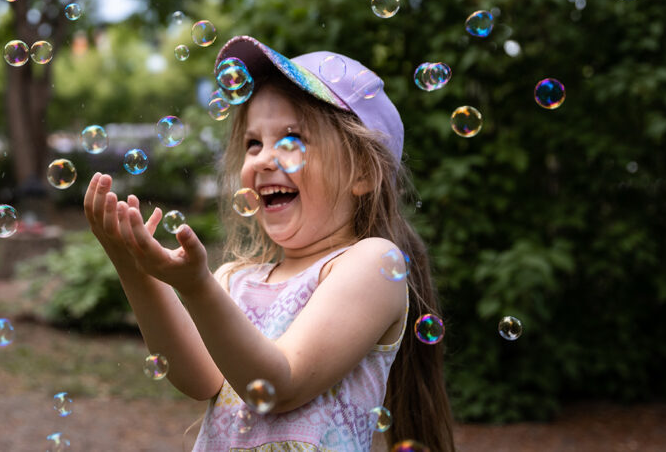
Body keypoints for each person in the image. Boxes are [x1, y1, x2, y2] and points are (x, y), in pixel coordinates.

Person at [84, 35, 455, 452]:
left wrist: (196, 287)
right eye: (253, 143)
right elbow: (197, 378)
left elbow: (279, 384)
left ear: (363, 173)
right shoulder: (235, 279)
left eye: (291, 139)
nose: (261, 158)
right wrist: (135, 269)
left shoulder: (370, 263)